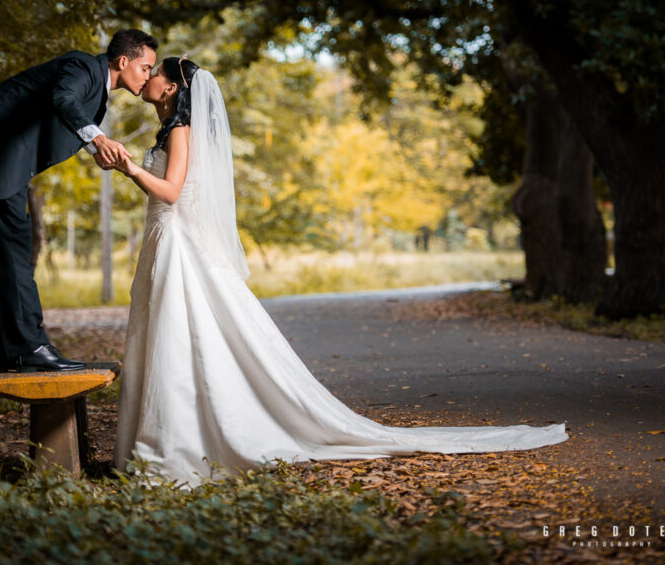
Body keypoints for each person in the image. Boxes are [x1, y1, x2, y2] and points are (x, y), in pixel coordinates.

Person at [112, 56, 567, 485]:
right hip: (171, 243)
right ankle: (176, 436)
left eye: (154, 71)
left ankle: (180, 443)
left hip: (180, 245)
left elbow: (169, 193)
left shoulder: (181, 130)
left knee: (182, 337)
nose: (146, 76)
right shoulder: (171, 130)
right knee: (180, 338)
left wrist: (128, 167)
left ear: (170, 86)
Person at [0, 29, 158, 373]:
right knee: (14, 248)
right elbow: (64, 99)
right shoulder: (84, 67)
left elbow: (64, 111)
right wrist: (98, 137)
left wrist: (95, 148)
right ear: (124, 62)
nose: (147, 76)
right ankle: (30, 347)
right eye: (146, 67)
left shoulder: (94, 81)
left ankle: (4, 353)